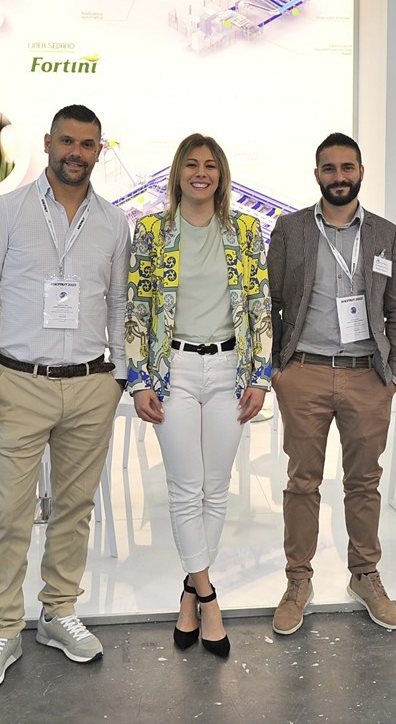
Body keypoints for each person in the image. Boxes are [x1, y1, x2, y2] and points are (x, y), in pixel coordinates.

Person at [0, 104, 131, 691]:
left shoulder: (114, 222)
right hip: (20, 383)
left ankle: (58, 612)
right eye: (67, 141)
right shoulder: (6, 212)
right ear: (49, 142)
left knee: (75, 509)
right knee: (8, 511)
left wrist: (119, 373)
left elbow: (117, 304)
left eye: (88, 144)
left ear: (99, 151)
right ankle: (3, 626)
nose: (77, 153)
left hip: (90, 384)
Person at [126, 133, 271, 660]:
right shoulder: (151, 232)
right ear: (178, 173)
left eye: (210, 165)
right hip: (175, 372)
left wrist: (260, 377)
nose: (201, 173)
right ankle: (209, 597)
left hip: (231, 369)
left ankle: (189, 589)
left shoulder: (246, 231)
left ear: (222, 175)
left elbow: (260, 303)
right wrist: (140, 380)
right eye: (191, 164)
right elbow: (136, 306)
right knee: (186, 488)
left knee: (216, 488)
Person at [268, 132, 396, 635]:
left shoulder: (384, 234)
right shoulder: (290, 230)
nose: (339, 177)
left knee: (364, 482)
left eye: (347, 167)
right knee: (302, 483)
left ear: (361, 172)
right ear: (317, 175)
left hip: (367, 376)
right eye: (329, 168)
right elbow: (270, 302)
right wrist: (277, 370)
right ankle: (297, 582)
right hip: (304, 373)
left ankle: (365, 576)